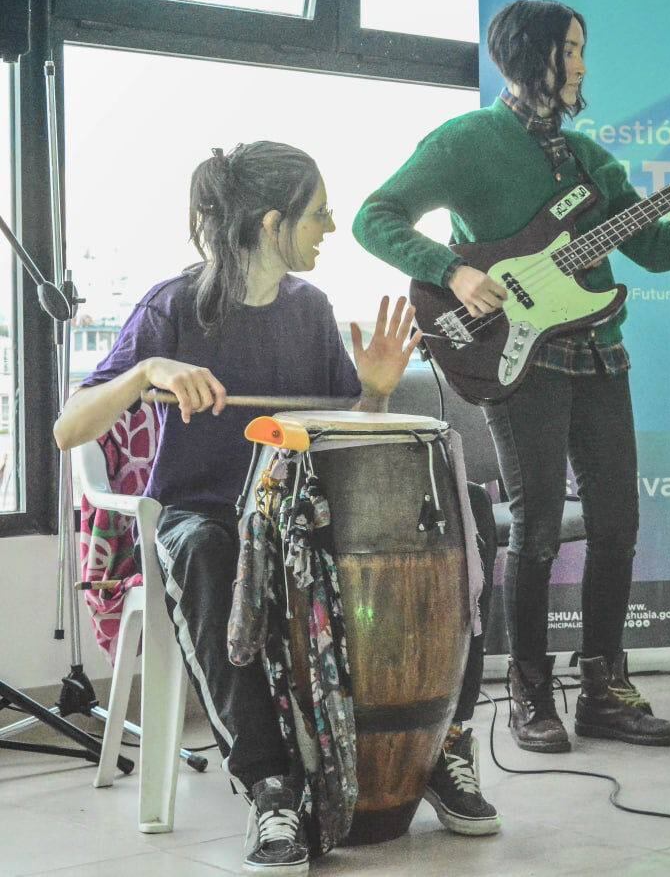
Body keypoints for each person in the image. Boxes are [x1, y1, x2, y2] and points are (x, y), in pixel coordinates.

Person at [51, 141, 480, 874]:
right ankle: (270, 784)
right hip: (204, 514)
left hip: (299, 516)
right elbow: (69, 428)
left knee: (459, 515)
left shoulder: (310, 311)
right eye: (319, 213)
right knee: (210, 551)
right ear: (272, 222)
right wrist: (149, 370)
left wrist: (374, 390)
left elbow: (346, 435)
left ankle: (436, 746)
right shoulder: (173, 307)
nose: (332, 227)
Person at [353, 0, 670, 753]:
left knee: (617, 526)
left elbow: (654, 249)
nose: (581, 64)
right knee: (537, 528)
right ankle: (530, 693)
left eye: (582, 50)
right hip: (518, 357)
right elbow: (375, 218)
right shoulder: (466, 142)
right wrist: (454, 269)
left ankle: (605, 689)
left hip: (600, 350)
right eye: (571, 49)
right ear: (532, 54)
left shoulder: (590, 159)